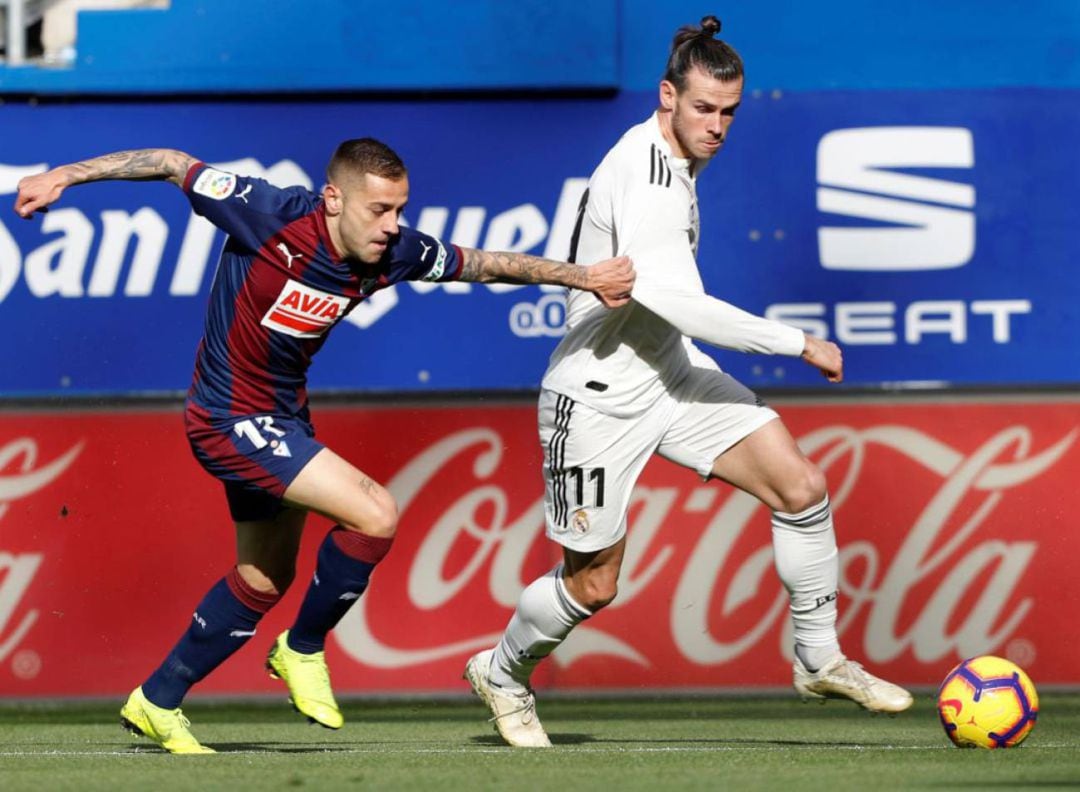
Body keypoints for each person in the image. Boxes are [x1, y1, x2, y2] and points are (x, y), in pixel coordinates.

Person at [14, 139, 635, 754]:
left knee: (263, 577)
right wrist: (63, 175)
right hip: (226, 417)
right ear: (334, 199)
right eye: (379, 210)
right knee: (375, 511)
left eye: (400, 210)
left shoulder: (393, 252)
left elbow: (483, 264)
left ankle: (157, 700)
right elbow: (172, 163)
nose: (393, 226)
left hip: (282, 418)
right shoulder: (270, 213)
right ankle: (303, 648)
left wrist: (583, 277)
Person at [462, 15, 913, 748]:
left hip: (670, 375)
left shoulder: (678, 161)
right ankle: (502, 670)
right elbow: (670, 300)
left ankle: (819, 656)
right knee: (593, 585)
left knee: (800, 486)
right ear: (666, 95)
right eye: (703, 108)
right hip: (598, 396)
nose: (718, 126)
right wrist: (796, 342)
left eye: (729, 112)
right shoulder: (645, 176)